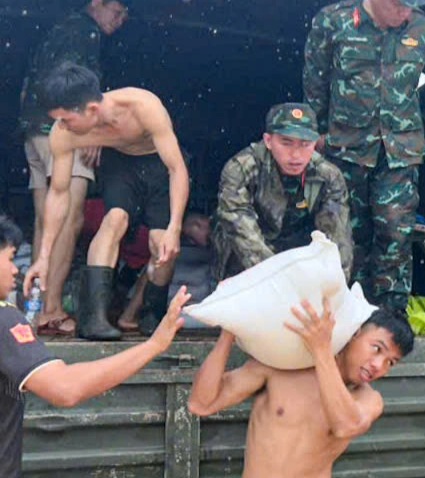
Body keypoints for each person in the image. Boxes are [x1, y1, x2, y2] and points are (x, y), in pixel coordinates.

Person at [0, 214, 190, 478]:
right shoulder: (4, 320)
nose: (14, 269)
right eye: (8, 257)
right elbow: (65, 389)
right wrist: (153, 346)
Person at [303, 0, 425, 314]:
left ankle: (390, 317)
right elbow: (315, 80)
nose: (406, 13)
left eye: (411, 7)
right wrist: (317, 131)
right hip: (346, 150)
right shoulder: (333, 21)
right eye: (399, 6)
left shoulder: (420, 26)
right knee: (347, 233)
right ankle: (347, 310)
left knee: (395, 231)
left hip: (400, 152)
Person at [188, 301, 415, 478]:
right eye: (377, 348)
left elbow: (344, 425)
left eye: (390, 362)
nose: (379, 365)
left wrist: (322, 352)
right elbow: (200, 404)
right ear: (353, 333)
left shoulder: (368, 401)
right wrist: (227, 333)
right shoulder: (279, 368)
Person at [25, 62, 190, 341]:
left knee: (161, 241)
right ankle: (94, 318)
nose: (61, 126)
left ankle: (151, 313)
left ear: (91, 110)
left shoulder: (143, 106)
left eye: (66, 119)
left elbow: (177, 169)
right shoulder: (63, 135)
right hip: (120, 165)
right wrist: (43, 256)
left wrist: (175, 227)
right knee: (114, 219)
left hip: (160, 166)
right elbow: (59, 193)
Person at [16, 0, 129, 336]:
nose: (120, 21)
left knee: (45, 220)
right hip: (61, 131)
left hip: (34, 127)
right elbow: (73, 86)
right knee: (68, 216)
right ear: (97, 3)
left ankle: (33, 309)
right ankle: (49, 309)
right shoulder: (84, 31)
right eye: (118, 11)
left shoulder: (60, 29)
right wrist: (88, 129)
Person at [212, 103, 352, 282]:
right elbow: (243, 235)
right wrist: (282, 282)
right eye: (286, 143)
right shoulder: (241, 169)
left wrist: (334, 287)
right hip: (248, 257)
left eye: (305, 144)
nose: (296, 155)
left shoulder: (328, 176)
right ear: (268, 141)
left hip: (297, 252)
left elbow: (337, 239)